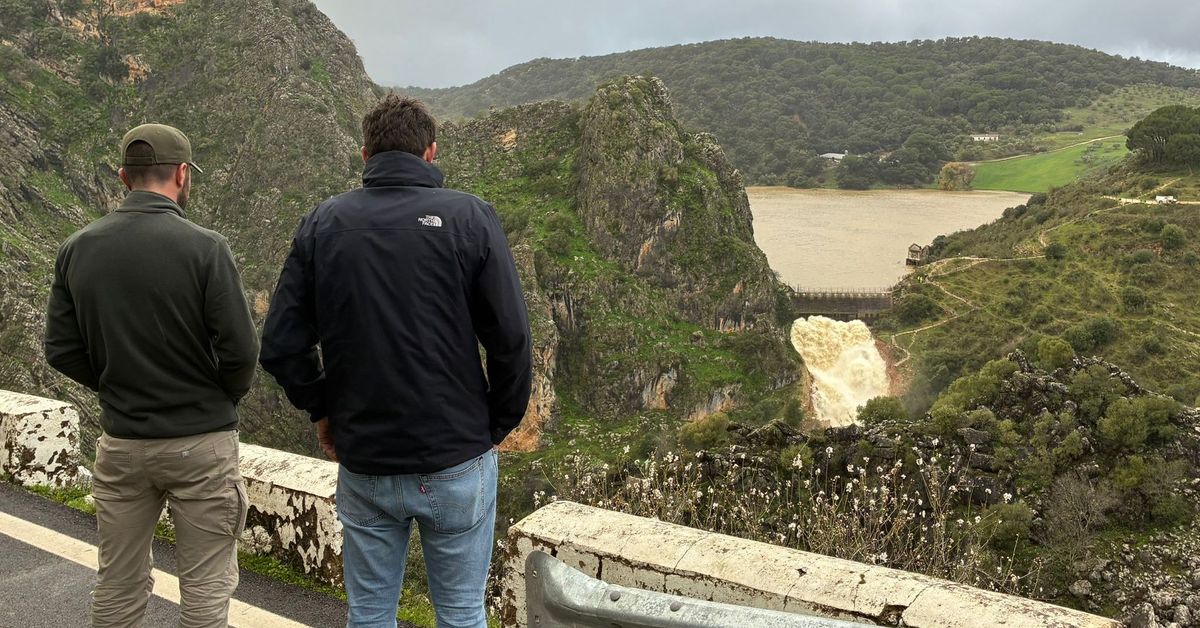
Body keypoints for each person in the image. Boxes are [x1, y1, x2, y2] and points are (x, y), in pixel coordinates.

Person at [259, 94, 532, 628]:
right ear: (431, 152)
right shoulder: (470, 218)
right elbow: (511, 339)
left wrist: (323, 412)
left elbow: (281, 345)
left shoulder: (323, 224)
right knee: (459, 613)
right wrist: (494, 424)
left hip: (365, 459)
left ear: (365, 156)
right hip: (457, 455)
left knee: (369, 614)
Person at [44, 123, 259, 628]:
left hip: (122, 442)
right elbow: (242, 351)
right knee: (204, 592)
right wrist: (216, 397)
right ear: (183, 175)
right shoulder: (207, 248)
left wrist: (117, 381)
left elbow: (59, 349)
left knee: (117, 585)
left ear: (123, 177)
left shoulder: (78, 248)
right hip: (200, 444)